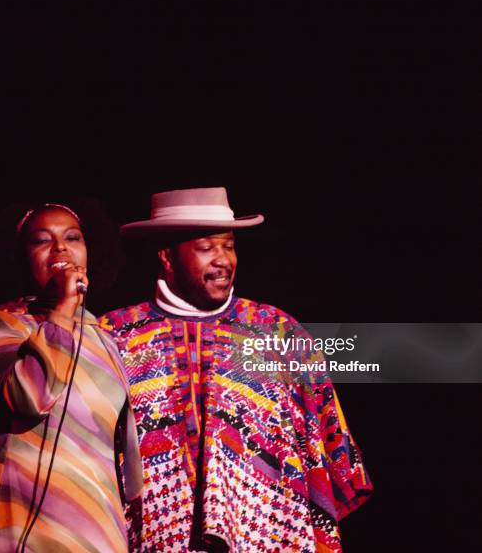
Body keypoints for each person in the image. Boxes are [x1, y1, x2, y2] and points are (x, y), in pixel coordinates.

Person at [99, 187, 373, 552]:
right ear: (166, 257)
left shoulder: (276, 331)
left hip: (264, 538)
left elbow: (326, 451)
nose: (223, 260)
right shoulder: (114, 336)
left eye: (228, 245)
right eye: (206, 247)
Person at [0, 203, 142, 553]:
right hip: (25, 524)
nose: (60, 248)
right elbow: (29, 397)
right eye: (41, 241)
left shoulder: (103, 337)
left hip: (97, 525)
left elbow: (123, 442)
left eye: (72, 238)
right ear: (21, 258)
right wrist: (62, 311)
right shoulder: (5, 325)